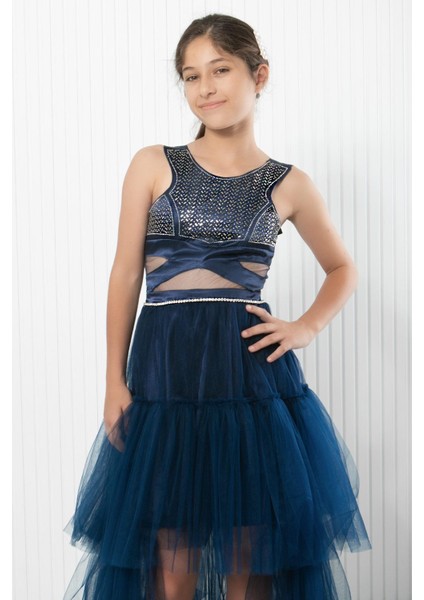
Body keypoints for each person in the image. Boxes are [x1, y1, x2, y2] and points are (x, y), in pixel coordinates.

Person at [63, 13, 371, 600]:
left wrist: (305, 327)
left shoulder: (289, 184)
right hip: (165, 380)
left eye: (220, 70)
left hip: (250, 382)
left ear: (259, 75)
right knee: (170, 562)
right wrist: (113, 381)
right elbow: (126, 274)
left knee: (248, 556)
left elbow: (343, 268)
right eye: (191, 75)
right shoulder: (154, 164)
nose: (205, 87)